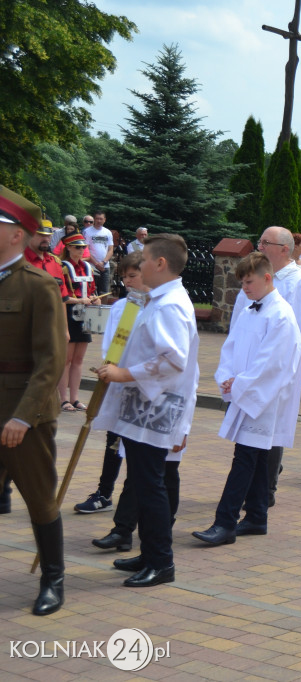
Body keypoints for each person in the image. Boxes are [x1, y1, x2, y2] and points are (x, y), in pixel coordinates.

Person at [95, 233, 199, 588]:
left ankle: (161, 562)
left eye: (144, 260)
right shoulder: (158, 299)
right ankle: (151, 552)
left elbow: (173, 361)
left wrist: (124, 373)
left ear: (160, 264)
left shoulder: (169, 304)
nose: (137, 266)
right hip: (144, 406)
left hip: (154, 408)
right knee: (142, 481)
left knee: (150, 484)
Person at [193, 253, 301, 546]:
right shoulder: (249, 310)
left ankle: (225, 522)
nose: (244, 288)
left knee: (245, 457)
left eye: (249, 281)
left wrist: (240, 383)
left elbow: (274, 362)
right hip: (244, 391)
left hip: (264, 397)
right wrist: (227, 377)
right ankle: (256, 516)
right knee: (257, 455)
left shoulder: (281, 314)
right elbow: (231, 347)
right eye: (241, 283)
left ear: (267, 278)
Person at [0, 186, 68, 615]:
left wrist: (23, 418)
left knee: (40, 497)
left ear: (14, 234)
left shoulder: (39, 286)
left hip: (24, 413)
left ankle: (54, 579)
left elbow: (50, 362)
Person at [235, 225, 301, 508]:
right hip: (249, 367)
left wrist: (297, 374)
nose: (259, 247)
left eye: (265, 242)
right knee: (249, 428)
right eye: (260, 241)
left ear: (284, 249)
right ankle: (253, 485)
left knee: (271, 427)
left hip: (279, 371)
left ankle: (266, 490)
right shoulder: (255, 276)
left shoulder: (297, 282)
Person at [75, 253, 145, 517]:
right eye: (124, 277)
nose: (127, 282)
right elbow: (111, 345)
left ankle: (135, 501)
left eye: (133, 276)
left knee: (137, 449)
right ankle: (104, 492)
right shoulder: (120, 307)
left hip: (138, 382)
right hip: (115, 380)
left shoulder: (156, 308)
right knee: (113, 440)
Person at [58, 231, 102, 412]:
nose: (82, 250)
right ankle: (63, 399)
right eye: (78, 247)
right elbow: (61, 296)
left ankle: (75, 398)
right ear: (68, 248)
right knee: (66, 359)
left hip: (85, 314)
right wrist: (79, 300)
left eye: (83, 247)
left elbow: (92, 290)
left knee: (78, 359)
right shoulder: (63, 267)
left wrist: (95, 299)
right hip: (68, 313)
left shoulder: (88, 267)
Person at [84, 210, 114, 294]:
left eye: (101, 219)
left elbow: (110, 249)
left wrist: (104, 262)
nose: (99, 221)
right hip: (91, 265)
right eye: (97, 218)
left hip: (105, 266)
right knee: (91, 291)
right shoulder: (87, 231)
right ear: (94, 219)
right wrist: (96, 263)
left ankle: (103, 307)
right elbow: (86, 250)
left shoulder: (108, 232)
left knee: (104, 291)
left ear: (104, 220)